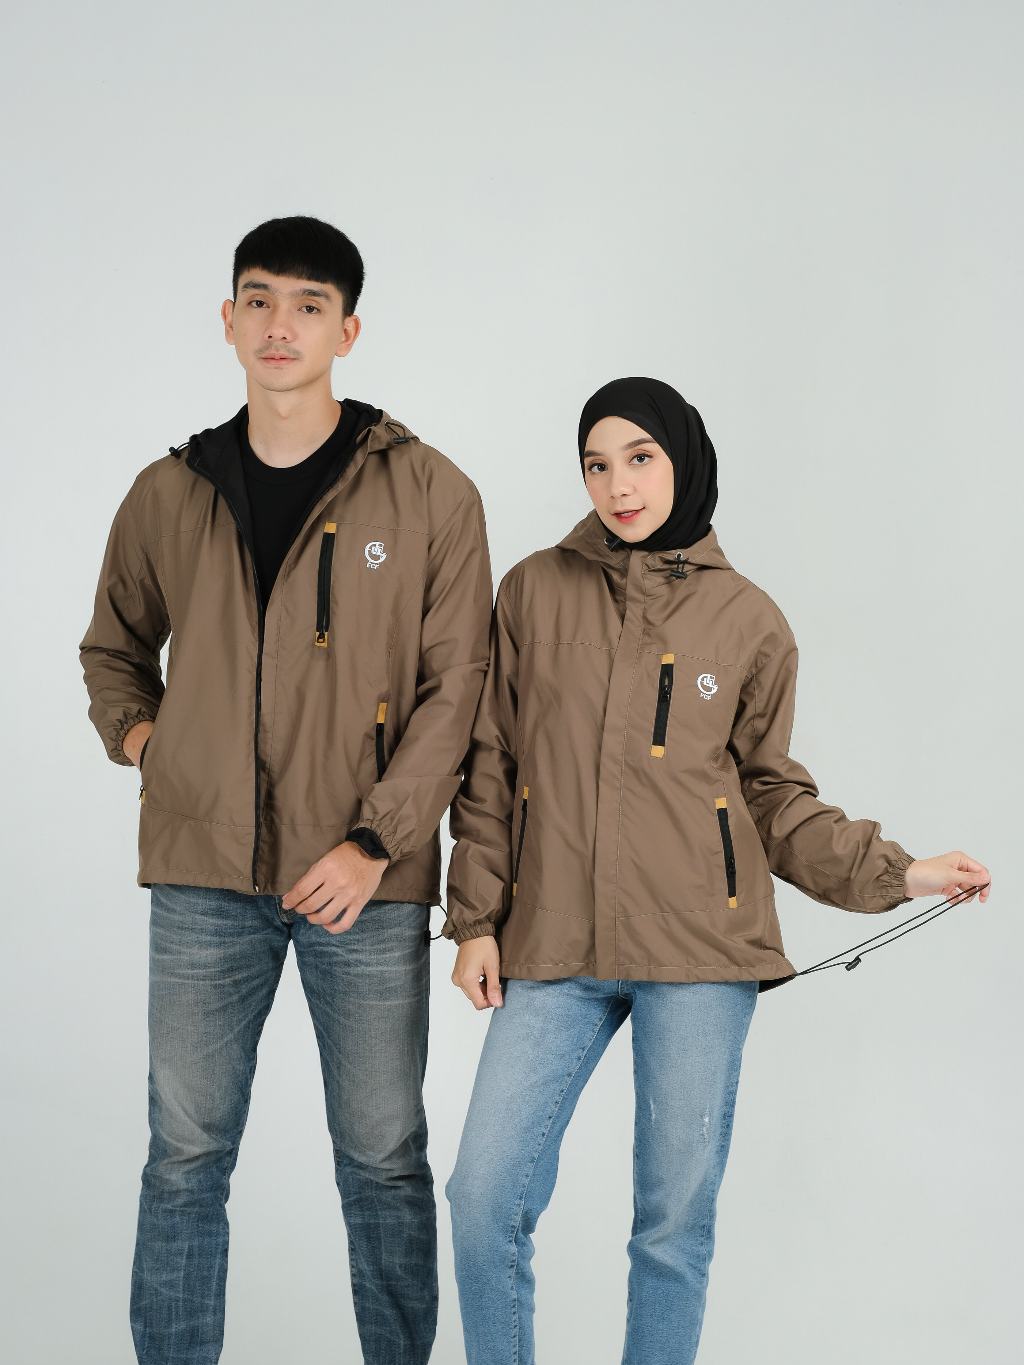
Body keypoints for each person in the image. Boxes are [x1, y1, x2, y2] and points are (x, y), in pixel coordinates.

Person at [440, 375, 991, 1365]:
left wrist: (902, 871)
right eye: (596, 464)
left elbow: (775, 799)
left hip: (700, 956)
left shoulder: (749, 620)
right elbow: (492, 764)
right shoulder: (530, 591)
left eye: (639, 458)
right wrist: (475, 919)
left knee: (671, 1227)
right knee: (483, 1198)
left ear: (683, 461)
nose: (617, 484)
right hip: (552, 944)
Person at [78, 215, 493, 1365]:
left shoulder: (430, 494)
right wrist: (151, 745)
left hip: (366, 881)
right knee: (184, 1158)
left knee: (382, 1159)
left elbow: (456, 691)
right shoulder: (170, 492)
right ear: (227, 320)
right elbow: (113, 648)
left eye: (309, 305)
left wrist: (376, 841)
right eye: (258, 300)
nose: (280, 325)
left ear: (347, 331)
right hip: (202, 877)